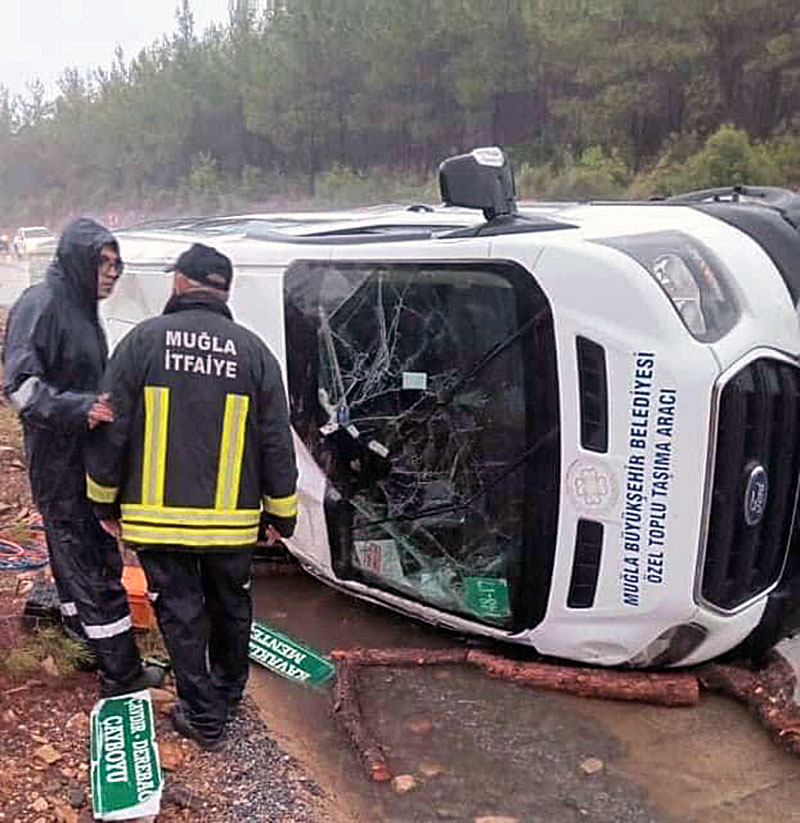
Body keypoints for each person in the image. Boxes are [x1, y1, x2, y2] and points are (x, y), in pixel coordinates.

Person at [85, 242, 298, 750]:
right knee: (232, 604)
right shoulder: (253, 352)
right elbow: (276, 439)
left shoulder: (140, 343)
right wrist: (282, 515)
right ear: (225, 289)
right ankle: (226, 693)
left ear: (179, 282)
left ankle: (203, 716)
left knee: (180, 614)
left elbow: (111, 430)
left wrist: (102, 502)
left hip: (155, 522)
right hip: (233, 525)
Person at [3, 217, 164, 696]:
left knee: (73, 559)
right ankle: (122, 674)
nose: (113, 274)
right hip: (60, 462)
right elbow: (20, 386)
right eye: (105, 263)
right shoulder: (45, 304)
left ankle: (82, 641)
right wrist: (80, 407)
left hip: (80, 457)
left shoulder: (79, 306)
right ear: (79, 260)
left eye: (118, 264)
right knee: (93, 563)